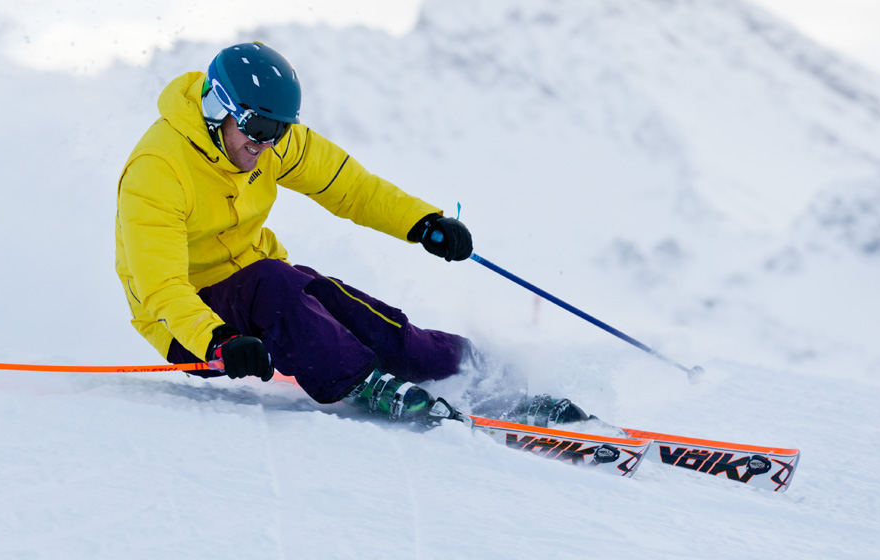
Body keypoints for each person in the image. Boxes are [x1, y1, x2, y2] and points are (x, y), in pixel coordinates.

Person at [114, 41, 586, 426]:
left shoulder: (267, 142)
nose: (265, 145)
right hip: (190, 327)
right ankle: (361, 382)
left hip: (259, 285)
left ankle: (473, 373)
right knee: (277, 285)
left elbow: (350, 187)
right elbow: (161, 287)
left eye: (278, 131)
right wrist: (217, 341)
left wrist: (423, 223)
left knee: (330, 298)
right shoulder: (157, 170)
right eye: (257, 128)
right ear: (219, 106)